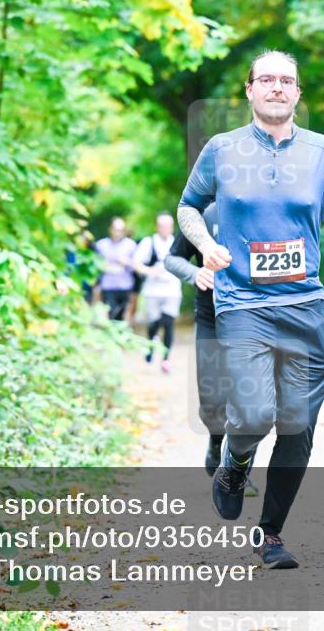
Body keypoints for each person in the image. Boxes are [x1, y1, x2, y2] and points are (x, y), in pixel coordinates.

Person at [177, 49, 324, 569]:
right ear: (250, 90)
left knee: (297, 426)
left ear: (298, 93)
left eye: (287, 80)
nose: (277, 87)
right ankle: (235, 464)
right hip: (242, 303)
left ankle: (272, 535)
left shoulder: (323, 150)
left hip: (305, 303)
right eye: (267, 80)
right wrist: (205, 244)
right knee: (257, 413)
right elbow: (188, 206)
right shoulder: (221, 149)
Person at [164, 203, 259, 496]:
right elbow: (172, 259)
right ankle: (216, 439)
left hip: (253, 318)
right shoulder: (205, 215)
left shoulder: (263, 210)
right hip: (211, 317)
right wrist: (195, 274)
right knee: (212, 398)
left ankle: (238, 471)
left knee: (248, 400)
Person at [133, 213, 182, 373]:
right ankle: (151, 345)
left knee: (168, 322)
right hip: (153, 290)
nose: (165, 229)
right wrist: (150, 271)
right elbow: (136, 263)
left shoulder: (177, 242)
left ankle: (166, 359)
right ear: (157, 226)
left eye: (168, 226)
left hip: (172, 289)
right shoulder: (149, 242)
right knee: (154, 323)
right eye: (162, 225)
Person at [94, 218, 138, 321]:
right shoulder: (101, 245)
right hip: (108, 286)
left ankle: (120, 335)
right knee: (111, 314)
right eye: (115, 229)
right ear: (110, 229)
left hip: (125, 286)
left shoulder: (131, 245)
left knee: (122, 316)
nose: (117, 233)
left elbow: (137, 265)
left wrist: (126, 262)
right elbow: (95, 265)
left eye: (120, 230)